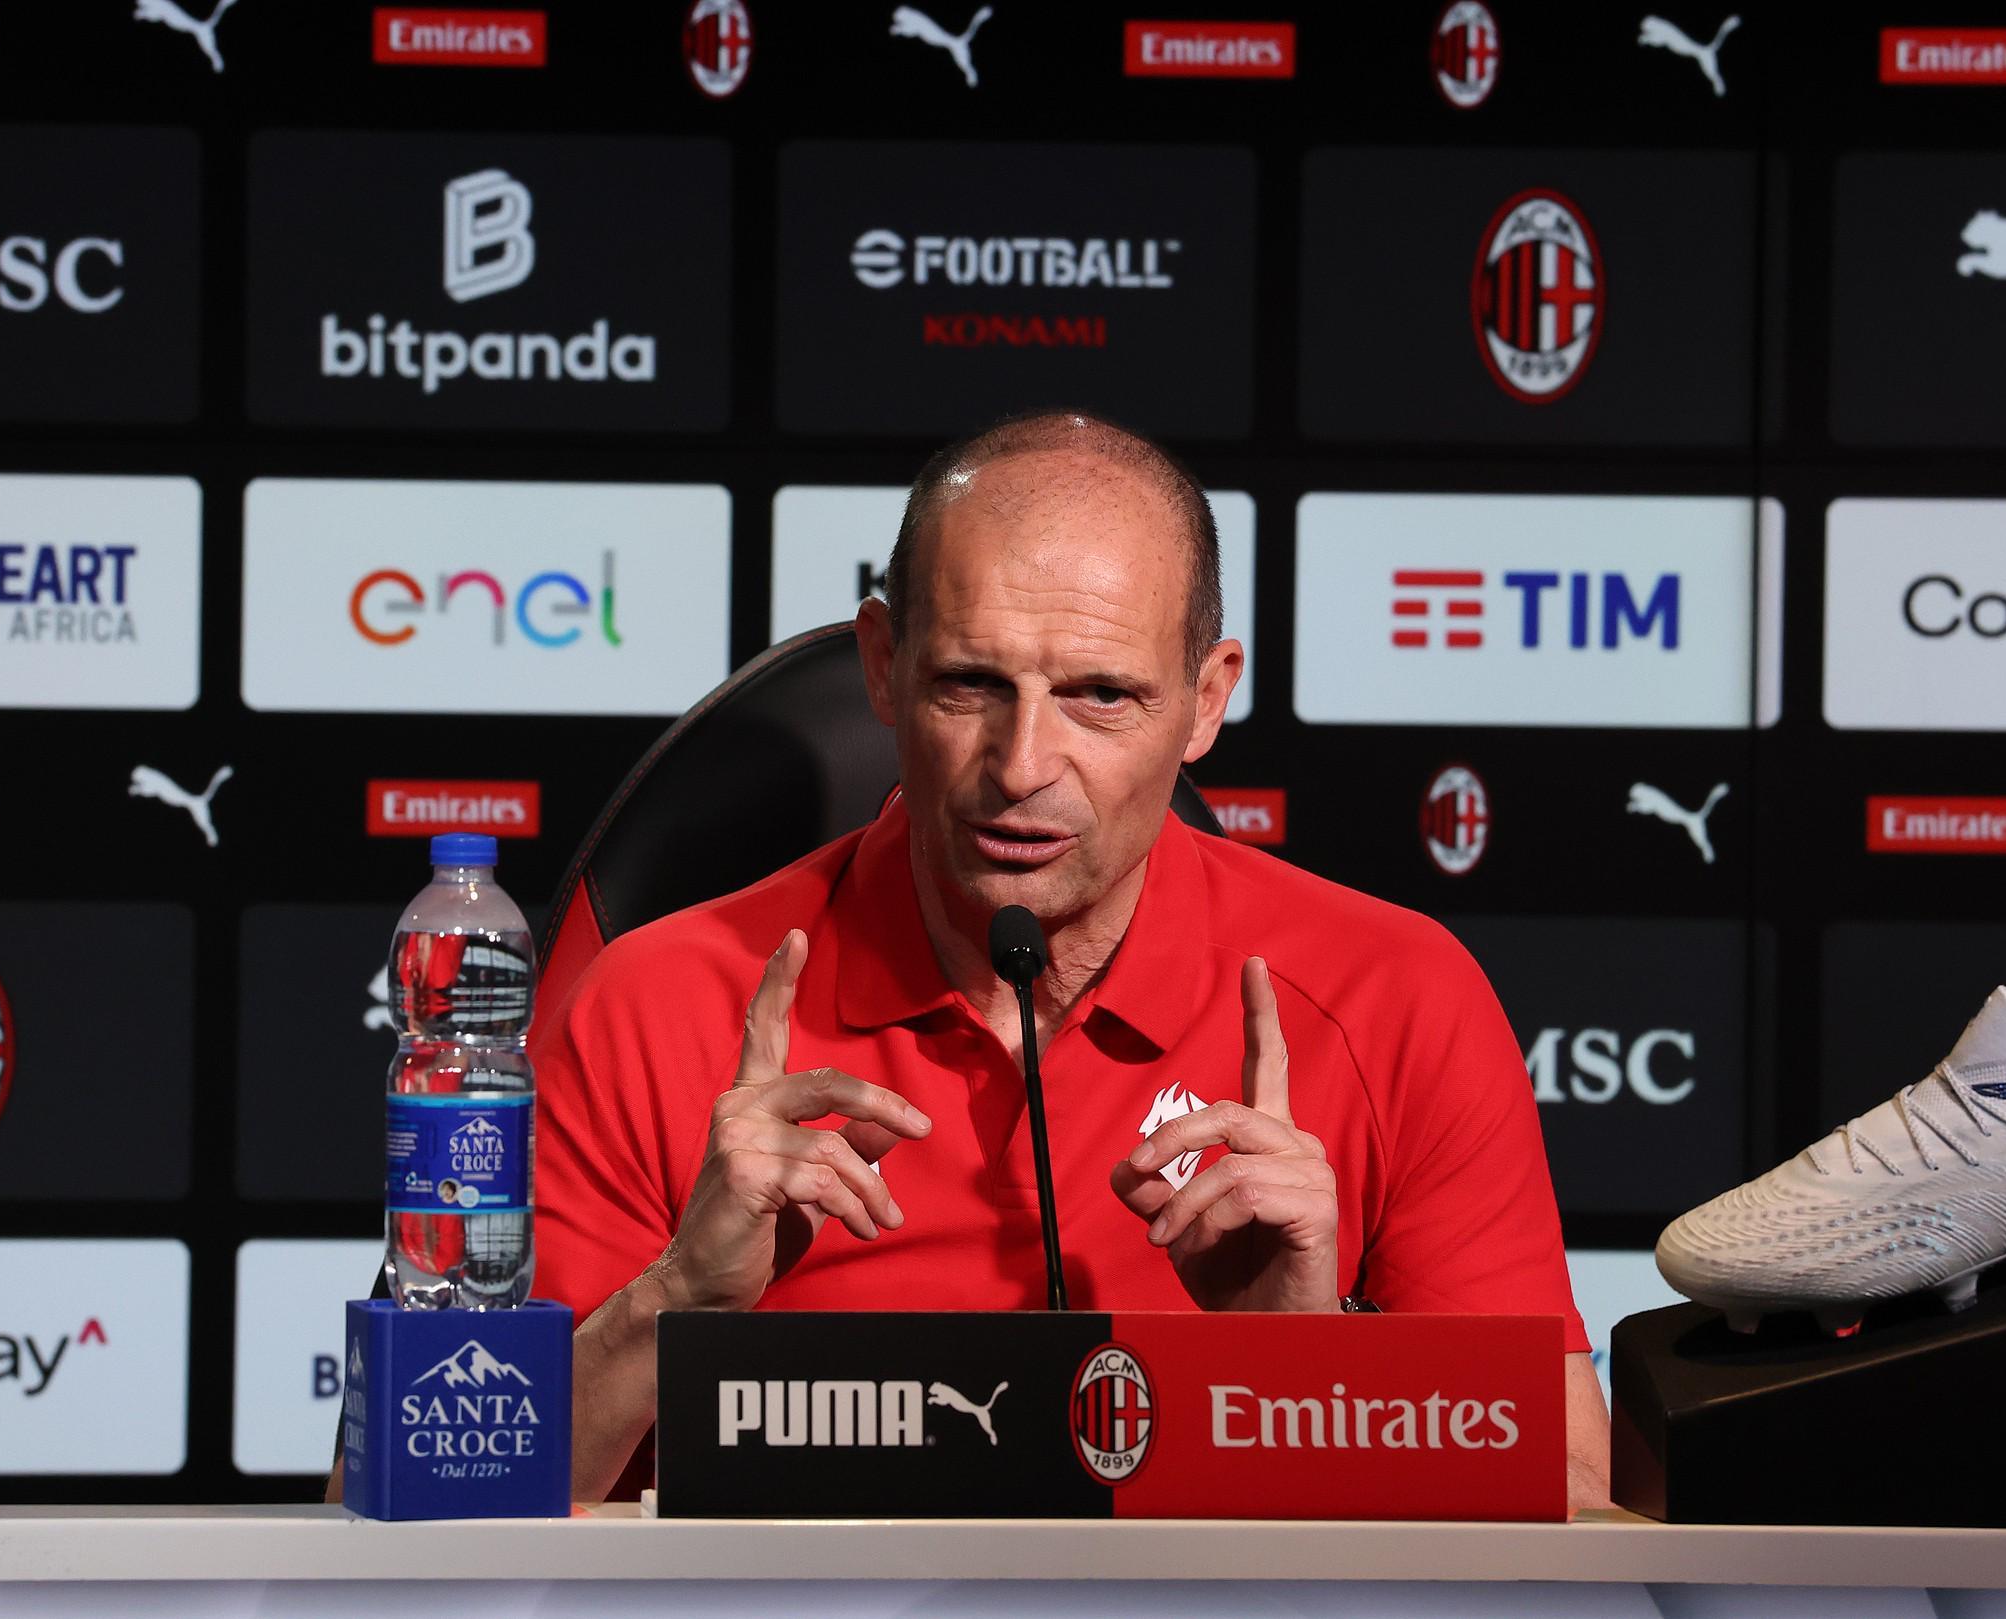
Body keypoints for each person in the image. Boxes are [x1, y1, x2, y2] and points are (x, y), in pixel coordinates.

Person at [535, 410, 1610, 1506]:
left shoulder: (1396, 998)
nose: (1022, 765)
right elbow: (474, 1496)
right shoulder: (651, 1005)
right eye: (970, 683)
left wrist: (1305, 1364)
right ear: (883, 666)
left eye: (1100, 696)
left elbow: (1572, 1494)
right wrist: (676, 1299)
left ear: (1205, 700)